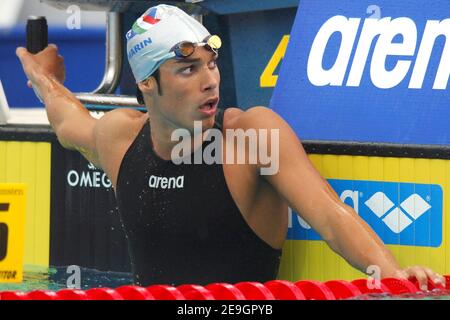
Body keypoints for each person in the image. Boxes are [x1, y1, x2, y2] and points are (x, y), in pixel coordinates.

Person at [16, 4, 445, 289]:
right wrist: (42, 77)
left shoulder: (250, 137)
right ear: (147, 82)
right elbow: (67, 120)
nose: (210, 80)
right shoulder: (119, 138)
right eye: (187, 69)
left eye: (211, 63)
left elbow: (331, 216)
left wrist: (393, 279)